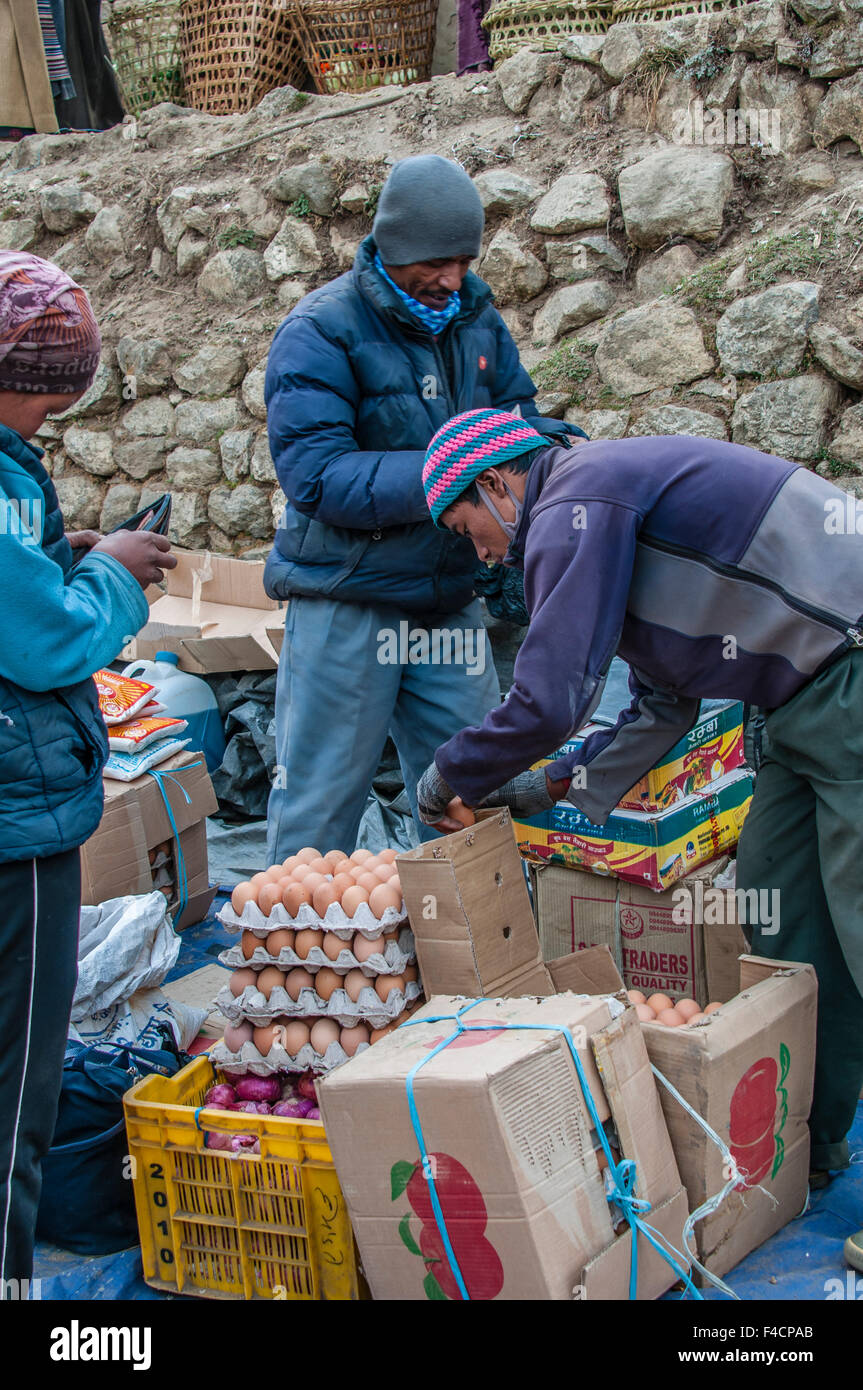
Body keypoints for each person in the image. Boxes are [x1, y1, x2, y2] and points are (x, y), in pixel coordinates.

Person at [415, 407, 863, 1274]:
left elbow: (552, 696)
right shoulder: (607, 512)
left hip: (850, 676)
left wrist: (452, 774)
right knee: (789, 927)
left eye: (466, 529)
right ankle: (810, 1144)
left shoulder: (581, 497)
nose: (480, 553)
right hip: (803, 709)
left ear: (496, 484)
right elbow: (658, 708)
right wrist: (541, 787)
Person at [262, 154, 576, 859]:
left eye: (464, 260)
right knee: (321, 796)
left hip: (447, 597)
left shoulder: (478, 322)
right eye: (435, 261)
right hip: (349, 596)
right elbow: (316, 477)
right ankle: (293, 964)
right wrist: (455, 472)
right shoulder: (320, 331)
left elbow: (516, 429)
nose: (450, 278)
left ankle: (468, 963)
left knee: (465, 793)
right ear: (393, 247)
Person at [0, 251, 175, 1289]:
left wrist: (55, 557)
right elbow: (47, 647)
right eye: (46, 407)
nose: (46, 427)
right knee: (17, 1081)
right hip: (13, 827)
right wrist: (110, 578)